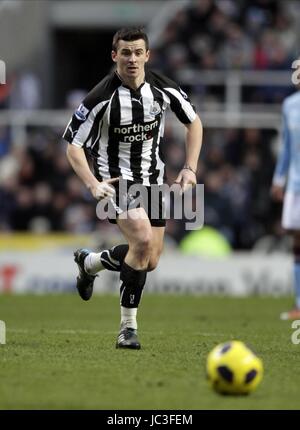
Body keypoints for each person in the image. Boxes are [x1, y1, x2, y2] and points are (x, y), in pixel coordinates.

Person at [63, 27, 203, 348]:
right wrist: (92, 183)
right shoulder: (100, 97)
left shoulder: (163, 89)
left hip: (153, 181)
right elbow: (73, 146)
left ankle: (90, 263)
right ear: (115, 56)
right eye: (125, 53)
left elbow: (193, 122)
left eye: (138, 52)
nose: (132, 59)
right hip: (115, 181)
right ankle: (128, 329)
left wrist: (190, 168)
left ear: (147, 55)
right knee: (140, 238)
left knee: (149, 258)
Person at [271, 88, 300, 320]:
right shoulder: (290, 104)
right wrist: (279, 179)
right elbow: (287, 147)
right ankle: (299, 304)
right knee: (297, 242)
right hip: (296, 186)